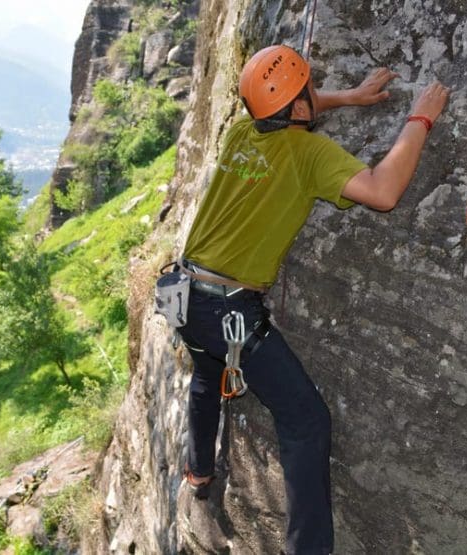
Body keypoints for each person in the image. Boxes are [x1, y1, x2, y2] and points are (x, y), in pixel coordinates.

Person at [176, 44, 449, 554]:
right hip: (228, 309)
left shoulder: (241, 132)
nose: (312, 96)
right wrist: (420, 119)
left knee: (207, 373)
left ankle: (197, 473)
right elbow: (382, 191)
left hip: (184, 295)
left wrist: (348, 97)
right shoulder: (309, 155)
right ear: (297, 106)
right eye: (309, 91)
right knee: (306, 421)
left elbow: (283, 105)